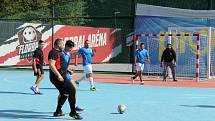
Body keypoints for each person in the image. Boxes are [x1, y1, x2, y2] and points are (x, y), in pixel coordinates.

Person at [48, 38, 82, 119]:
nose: (64, 46)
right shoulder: (53, 52)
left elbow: (59, 65)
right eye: (63, 44)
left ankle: (58, 111)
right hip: (57, 77)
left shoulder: (58, 53)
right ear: (59, 45)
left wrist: (67, 70)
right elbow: (52, 65)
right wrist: (59, 75)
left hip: (62, 75)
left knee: (65, 93)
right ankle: (73, 113)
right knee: (72, 90)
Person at [57, 40, 84, 112]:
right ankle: (59, 108)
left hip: (66, 75)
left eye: (72, 48)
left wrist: (69, 70)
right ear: (66, 46)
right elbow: (59, 66)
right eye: (70, 48)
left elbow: (65, 66)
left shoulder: (68, 54)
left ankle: (74, 106)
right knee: (62, 93)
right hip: (62, 75)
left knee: (73, 89)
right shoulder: (61, 54)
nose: (71, 49)